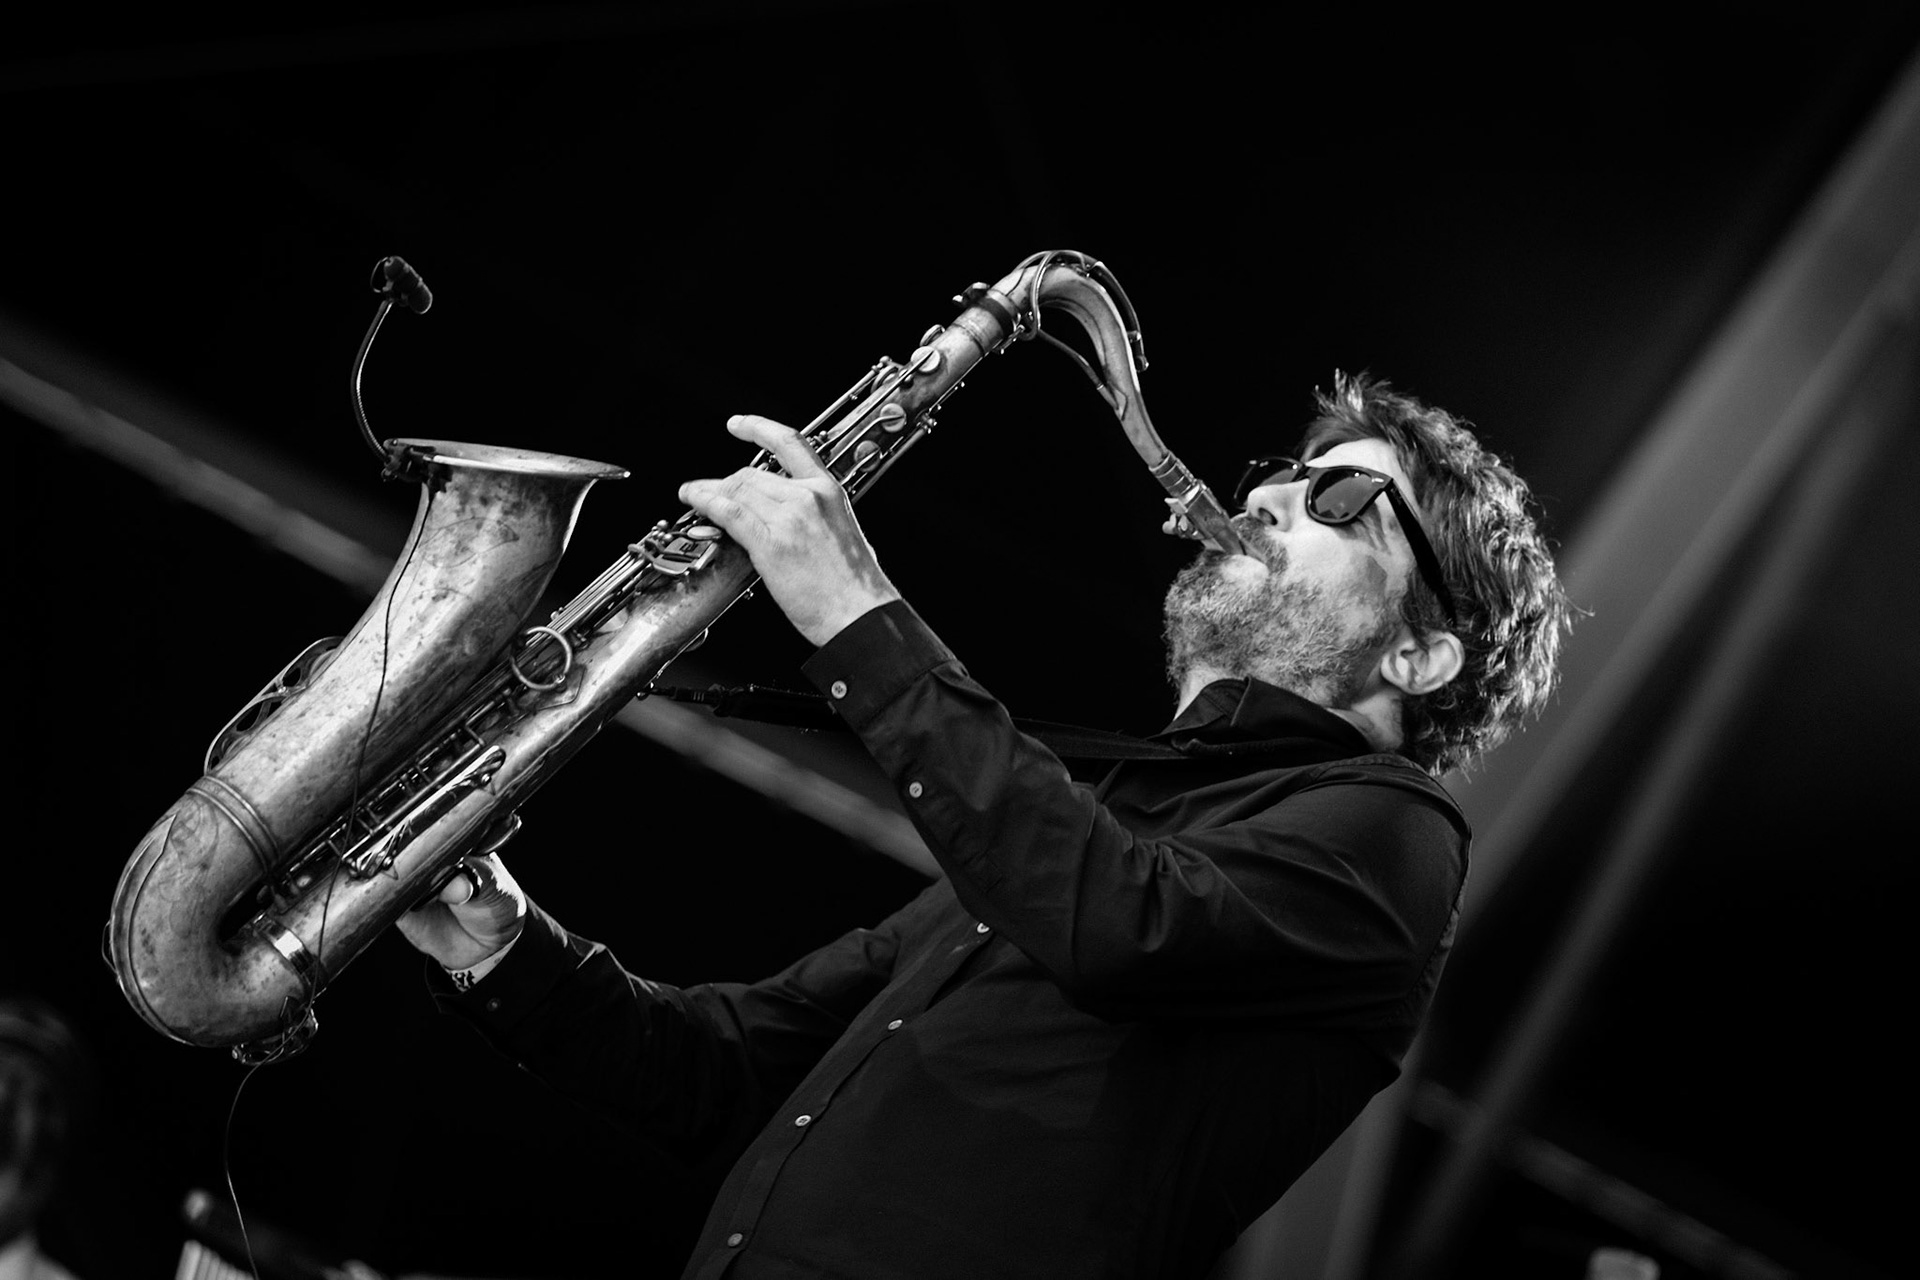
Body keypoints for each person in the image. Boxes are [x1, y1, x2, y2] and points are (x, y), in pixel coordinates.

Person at [398, 373, 1571, 1279]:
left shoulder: (1397, 832)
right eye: (1284, 469)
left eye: (1343, 498)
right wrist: (502, 949)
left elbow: (1121, 923)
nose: (1264, 494)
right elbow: (724, 1068)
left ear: (1419, 653)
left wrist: (859, 611)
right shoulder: (1084, 829)